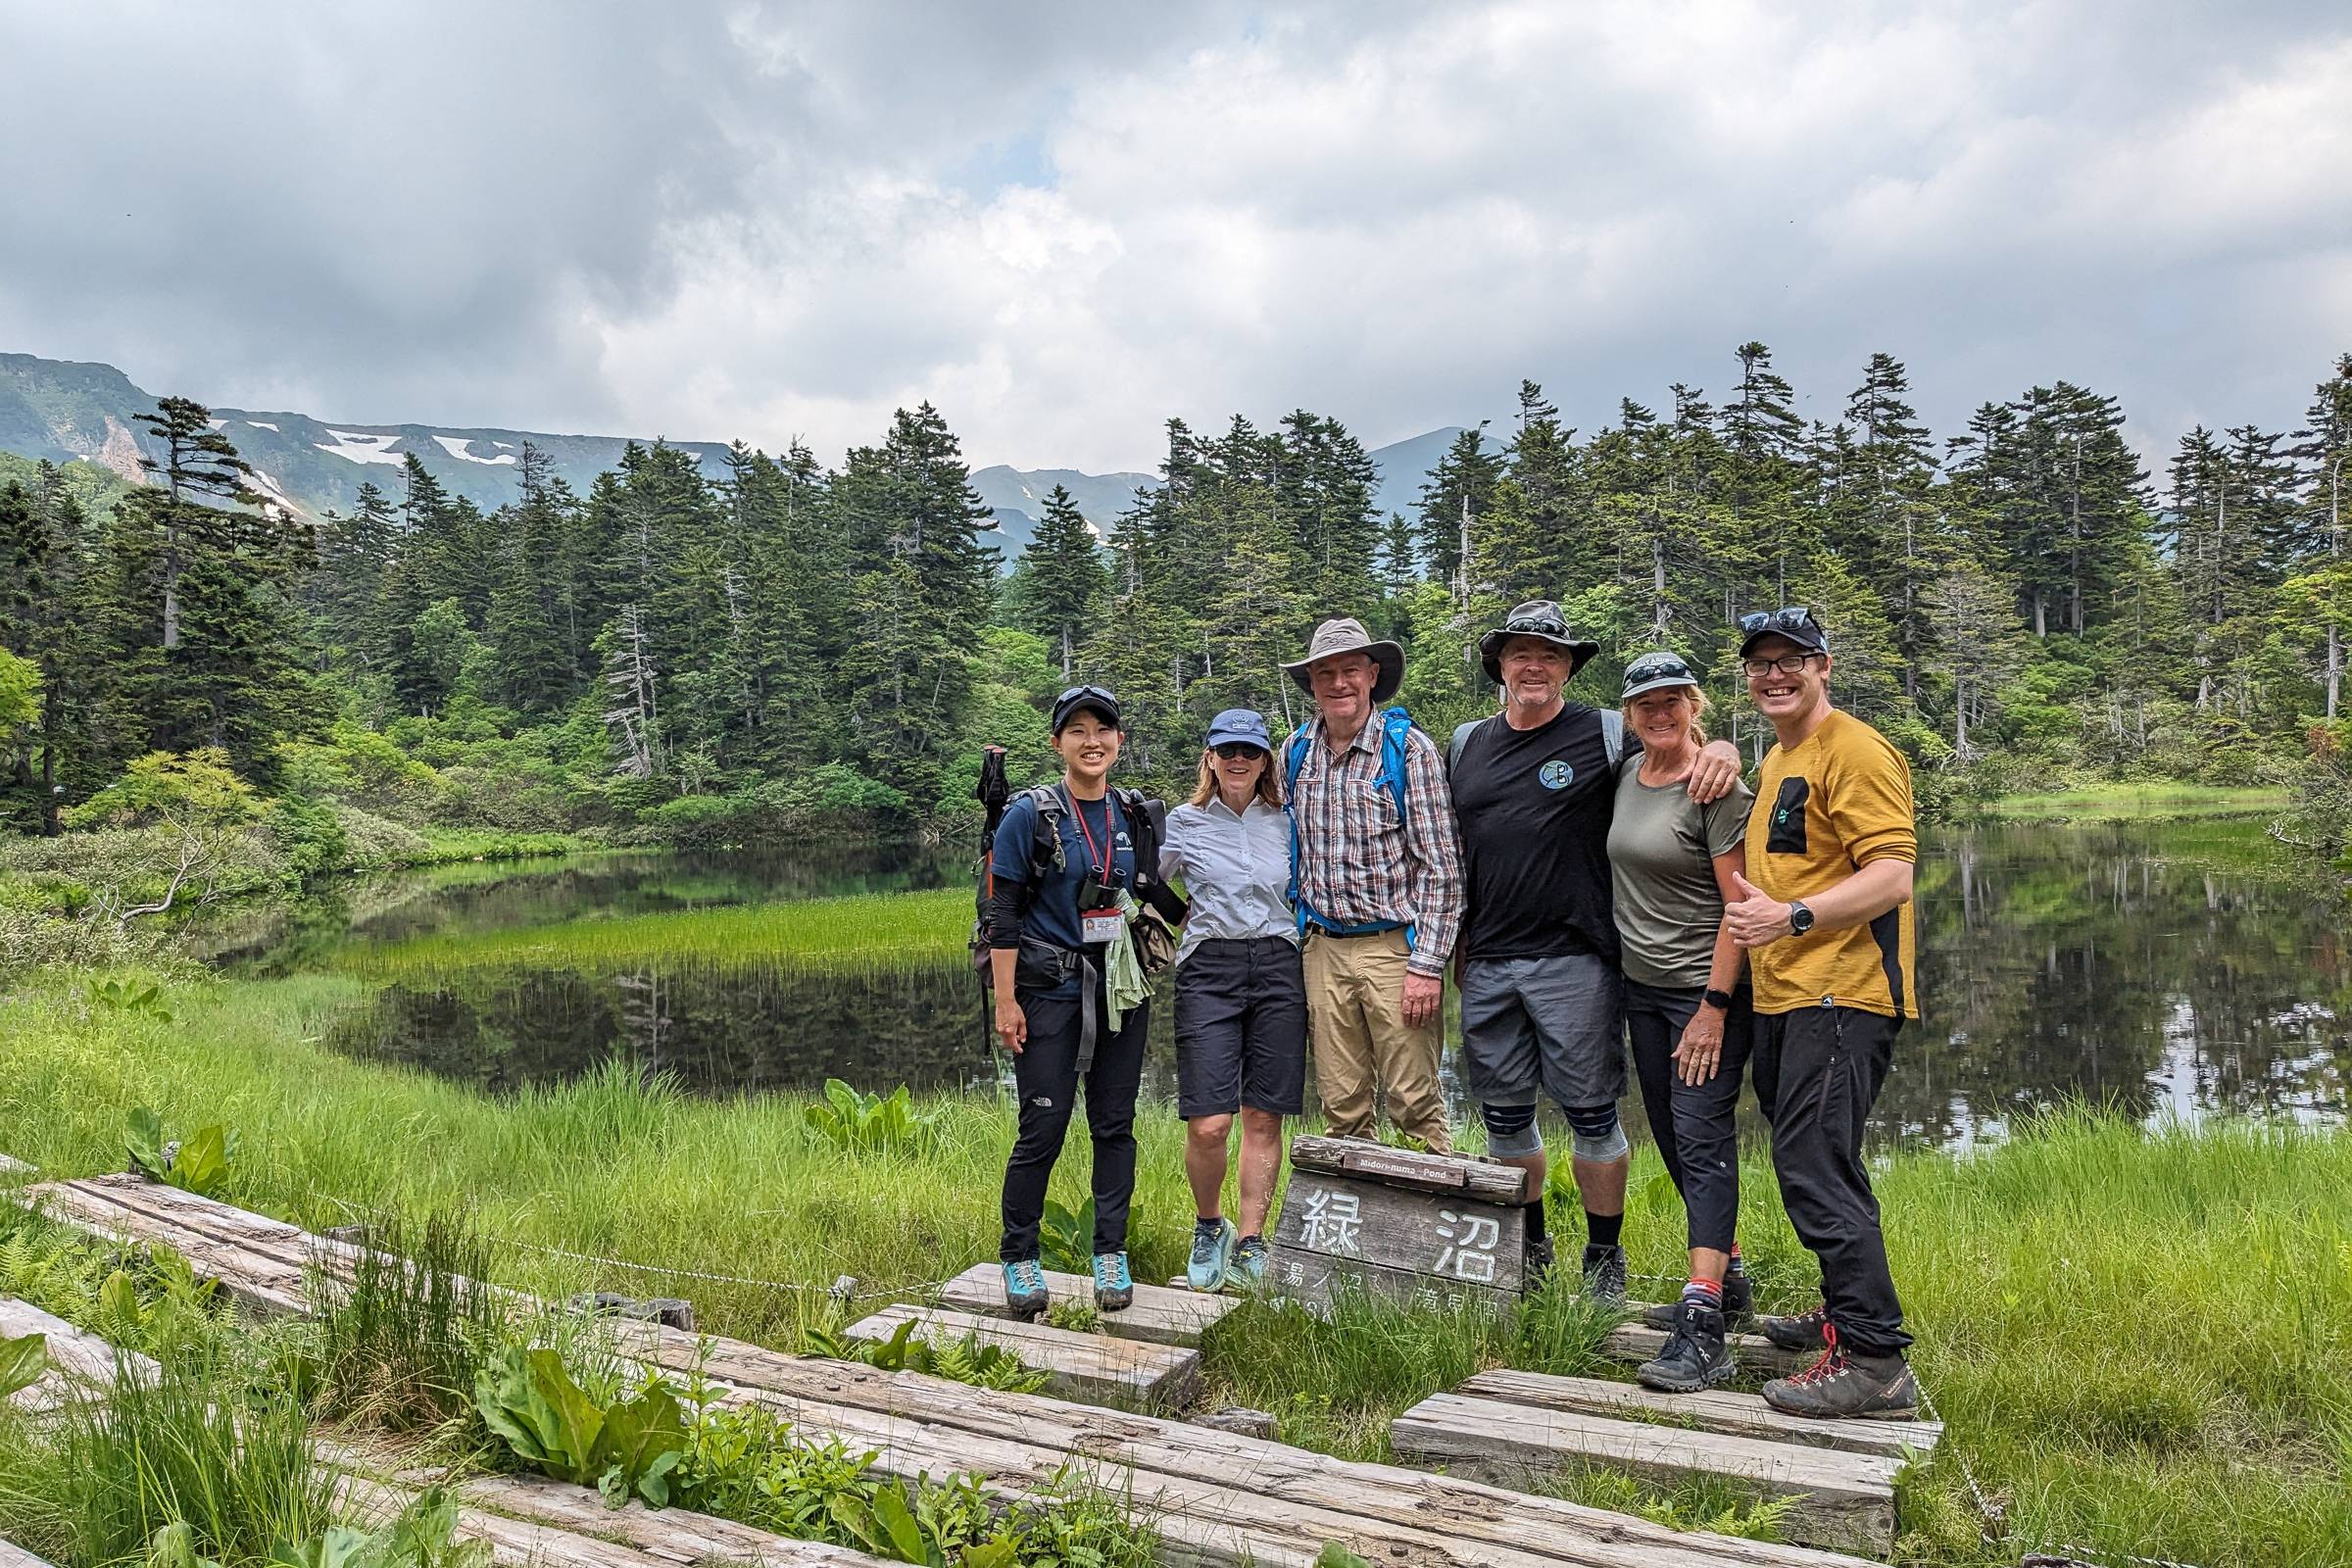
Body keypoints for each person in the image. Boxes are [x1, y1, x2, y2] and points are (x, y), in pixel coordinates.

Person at [1446, 603, 1742, 1298]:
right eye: (1521, 654)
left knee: (1591, 1115)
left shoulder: (1606, 735)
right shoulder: (1464, 744)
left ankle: (1604, 1259)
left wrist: (1724, 749)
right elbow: (1451, 852)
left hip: (1578, 960)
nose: (1535, 666)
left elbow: (1676, 748)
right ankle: (1532, 1245)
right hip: (1487, 962)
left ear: (1569, 667)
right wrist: (1454, 945)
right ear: (1501, 666)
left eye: (1550, 655)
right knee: (1505, 1116)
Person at [1723, 607, 1921, 1419]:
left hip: (1843, 993)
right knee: (1822, 1160)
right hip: (1789, 995)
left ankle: (1876, 1364)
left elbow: (1893, 877)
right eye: (1761, 663)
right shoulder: (1781, 757)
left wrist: (1793, 918)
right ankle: (1845, 1314)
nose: (1775, 674)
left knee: (1813, 1167)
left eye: (1791, 660)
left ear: (1823, 666)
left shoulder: (1858, 750)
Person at [987, 684, 1178, 1318]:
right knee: (1042, 1128)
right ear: (1058, 743)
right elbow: (1004, 914)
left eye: (1104, 730)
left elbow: (1156, 894)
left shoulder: (1136, 814)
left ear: (1119, 741)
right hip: (1048, 995)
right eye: (1078, 731)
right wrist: (1005, 1001)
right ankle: (1019, 1259)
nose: (1092, 741)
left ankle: (1110, 1254)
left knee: (1114, 1127)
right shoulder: (1031, 816)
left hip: (1120, 993)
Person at [1602, 650, 1758, 1392]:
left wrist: (1715, 1009)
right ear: (1629, 715)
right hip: (1643, 991)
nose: (1660, 714)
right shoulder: (1625, 778)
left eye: (1673, 701)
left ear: (1695, 705)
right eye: (1645, 705)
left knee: (1701, 1139)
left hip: (1705, 992)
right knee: (1668, 1133)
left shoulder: (1718, 788)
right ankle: (1727, 1280)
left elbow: (1743, 907)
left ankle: (1704, 1329)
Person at [1280, 617, 1464, 1152]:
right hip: (1321, 948)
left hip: (1394, 949)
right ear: (1312, 683)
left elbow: (1442, 869)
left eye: (1350, 671)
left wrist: (1428, 967)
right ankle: (1353, 1233)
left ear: (1372, 675)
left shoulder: (1409, 752)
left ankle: (1434, 1227)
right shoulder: (1296, 752)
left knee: (1416, 1102)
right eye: (1326, 673)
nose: (1339, 683)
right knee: (1342, 1105)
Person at [1159, 709, 1306, 1291]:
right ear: (1210, 758)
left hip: (1278, 964)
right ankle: (1209, 1224)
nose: (1238, 760)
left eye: (1250, 750)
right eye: (1227, 751)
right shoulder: (1184, 821)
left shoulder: (1288, 819)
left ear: (1265, 758)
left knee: (1263, 1113)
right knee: (1210, 1122)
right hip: (1209, 967)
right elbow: (1141, 877)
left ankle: (1251, 1239)